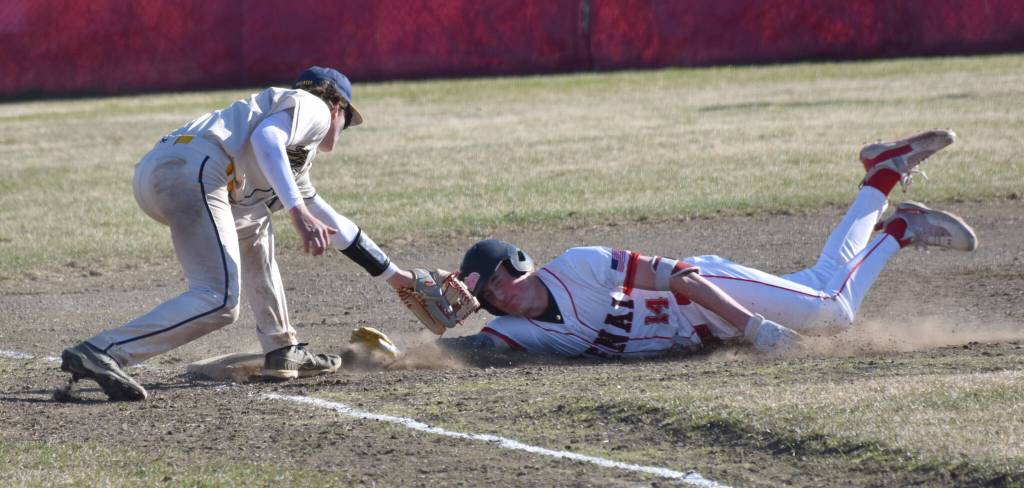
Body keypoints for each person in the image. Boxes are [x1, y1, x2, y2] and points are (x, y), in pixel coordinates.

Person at [440, 130, 978, 358]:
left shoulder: (577, 266)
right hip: (707, 330)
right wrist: (404, 345)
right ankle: (888, 197)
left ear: (518, 261)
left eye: (499, 278)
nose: (499, 294)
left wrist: (752, 327)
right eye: (487, 293)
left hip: (708, 291)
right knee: (821, 286)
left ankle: (894, 215)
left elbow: (680, 277)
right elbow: (473, 350)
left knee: (832, 309)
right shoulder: (518, 329)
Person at [60, 66, 416, 401]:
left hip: (167, 171)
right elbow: (267, 137)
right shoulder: (315, 108)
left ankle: (282, 349)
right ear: (337, 106)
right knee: (219, 300)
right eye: (348, 120)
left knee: (254, 223)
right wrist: (297, 211)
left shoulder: (293, 153)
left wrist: (395, 276)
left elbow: (331, 220)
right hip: (198, 168)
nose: (343, 128)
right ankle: (104, 351)